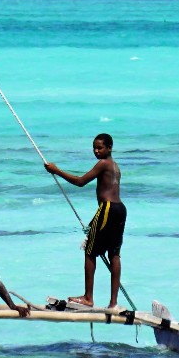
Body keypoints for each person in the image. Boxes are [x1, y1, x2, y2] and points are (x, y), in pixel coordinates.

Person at [45, 132, 124, 309]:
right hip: (120, 209)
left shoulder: (103, 163)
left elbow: (81, 182)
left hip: (108, 208)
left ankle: (88, 297)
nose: (96, 151)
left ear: (109, 148)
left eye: (100, 147)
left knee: (90, 252)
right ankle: (113, 303)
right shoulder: (115, 166)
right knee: (114, 255)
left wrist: (56, 171)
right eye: (94, 148)